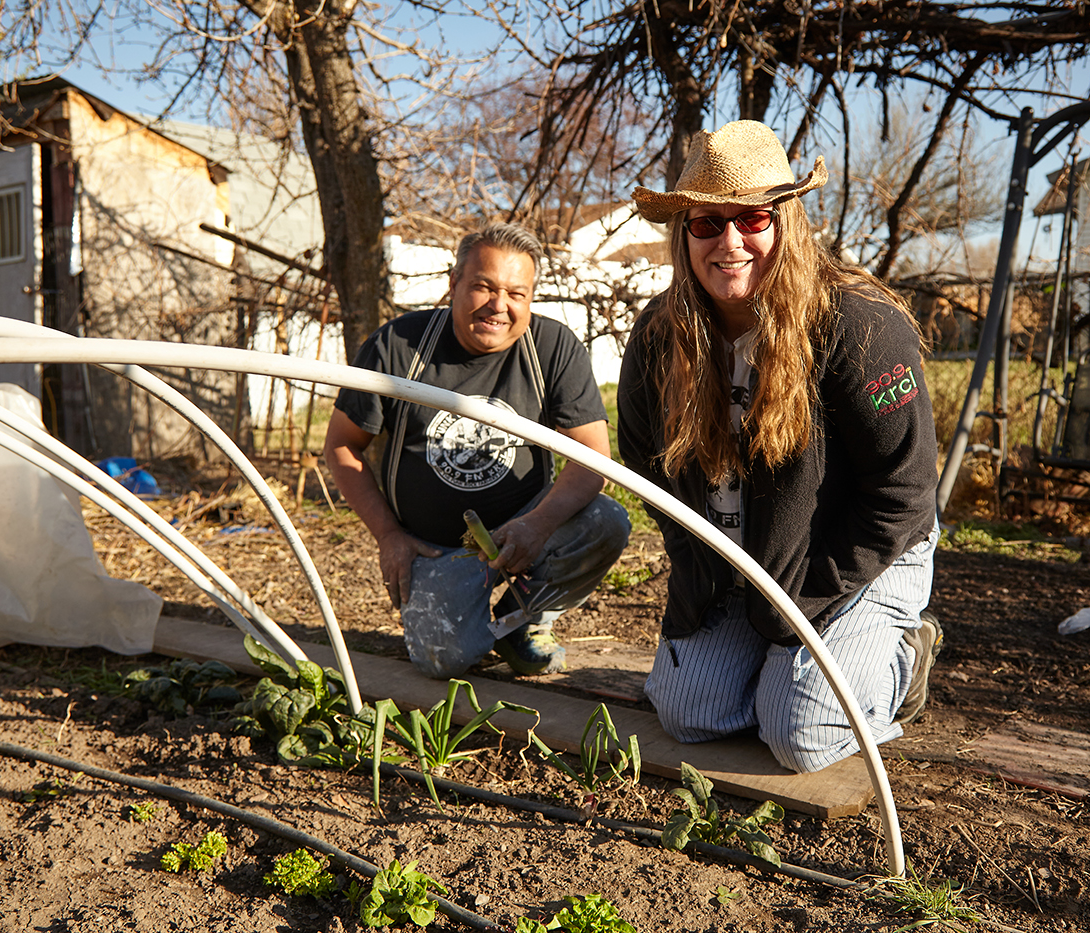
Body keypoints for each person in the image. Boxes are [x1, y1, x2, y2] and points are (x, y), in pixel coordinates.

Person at [617, 121, 942, 773]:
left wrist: (800, 604)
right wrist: (702, 576)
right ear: (684, 235)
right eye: (708, 224)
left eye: (752, 219)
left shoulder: (859, 328)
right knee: (687, 713)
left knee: (803, 734)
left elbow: (902, 498)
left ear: (785, 222)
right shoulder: (659, 336)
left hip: (858, 555)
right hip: (751, 561)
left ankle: (902, 655)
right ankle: (778, 664)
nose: (730, 242)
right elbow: (649, 471)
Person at [325, 223, 631, 678]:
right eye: (483, 287)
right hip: (435, 548)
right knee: (442, 660)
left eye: (516, 293)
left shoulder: (552, 347)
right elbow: (341, 447)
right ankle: (469, 621)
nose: (499, 306)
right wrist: (389, 535)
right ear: (453, 285)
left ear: (530, 299)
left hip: (525, 528)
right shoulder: (398, 347)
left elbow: (593, 456)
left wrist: (536, 525)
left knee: (605, 521)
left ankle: (524, 622)